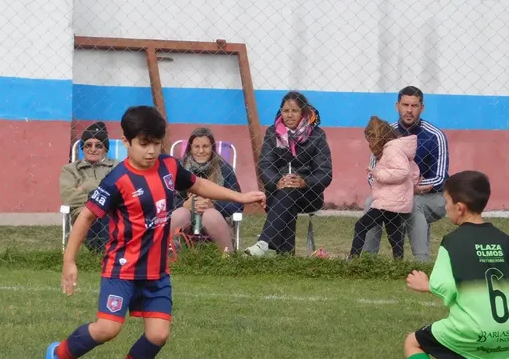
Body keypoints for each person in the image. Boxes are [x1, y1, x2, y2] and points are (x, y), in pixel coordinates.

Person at [38, 105, 266, 359]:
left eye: (157, 144)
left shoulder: (169, 167)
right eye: (144, 144)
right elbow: (85, 218)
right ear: (127, 141)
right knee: (107, 328)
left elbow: (197, 184)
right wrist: (69, 260)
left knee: (158, 334)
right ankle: (57, 356)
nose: (151, 151)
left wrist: (239, 195)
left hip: (157, 272)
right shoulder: (116, 180)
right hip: (121, 270)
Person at [397, 171, 509, 359]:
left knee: (413, 342)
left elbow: (445, 287)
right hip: (505, 332)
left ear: (459, 208)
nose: (446, 209)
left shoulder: (453, 243)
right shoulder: (505, 241)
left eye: (447, 204)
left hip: (472, 330)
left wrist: (425, 286)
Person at [364, 86, 450, 262]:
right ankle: (367, 260)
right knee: (370, 202)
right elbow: (373, 174)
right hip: (394, 192)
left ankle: (421, 263)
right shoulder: (384, 132)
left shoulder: (435, 136)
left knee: (413, 203)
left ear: (422, 108)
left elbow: (440, 178)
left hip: (432, 197)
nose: (409, 110)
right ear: (397, 106)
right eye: (405, 105)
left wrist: (407, 188)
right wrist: (401, 187)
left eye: (414, 105)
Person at [244, 91, 333, 257]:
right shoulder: (273, 133)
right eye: (286, 111)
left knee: (290, 190)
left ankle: (264, 243)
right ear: (281, 112)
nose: (289, 115)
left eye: (294, 111)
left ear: (303, 113)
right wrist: (277, 181)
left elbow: (325, 173)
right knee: (287, 194)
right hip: (278, 191)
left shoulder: (317, 135)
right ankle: (285, 258)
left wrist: (304, 181)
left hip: (310, 194)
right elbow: (265, 165)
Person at [349, 117, 418, 260]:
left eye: (370, 139)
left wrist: (378, 173)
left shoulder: (391, 149)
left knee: (360, 226)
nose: (370, 144)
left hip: (387, 201)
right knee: (394, 235)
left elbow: (403, 171)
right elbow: (413, 171)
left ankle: (353, 259)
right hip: (395, 199)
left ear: (377, 137)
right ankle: (399, 264)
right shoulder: (398, 148)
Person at [171, 127, 241, 253]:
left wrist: (214, 205)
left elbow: (238, 203)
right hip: (185, 218)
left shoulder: (224, 169)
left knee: (210, 215)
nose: (201, 151)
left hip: (216, 220)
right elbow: (164, 197)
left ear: (212, 147)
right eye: (196, 147)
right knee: (180, 213)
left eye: (206, 146)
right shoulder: (178, 167)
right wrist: (184, 204)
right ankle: (167, 256)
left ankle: (228, 258)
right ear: (190, 148)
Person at [59, 122, 117, 253]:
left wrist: (86, 186)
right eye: (88, 145)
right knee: (95, 209)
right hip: (83, 213)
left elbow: (122, 192)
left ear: (106, 149)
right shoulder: (70, 170)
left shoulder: (117, 166)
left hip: (112, 211)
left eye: (99, 146)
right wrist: (101, 194)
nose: (93, 149)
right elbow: (67, 196)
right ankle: (105, 253)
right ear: (82, 148)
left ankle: (103, 253)